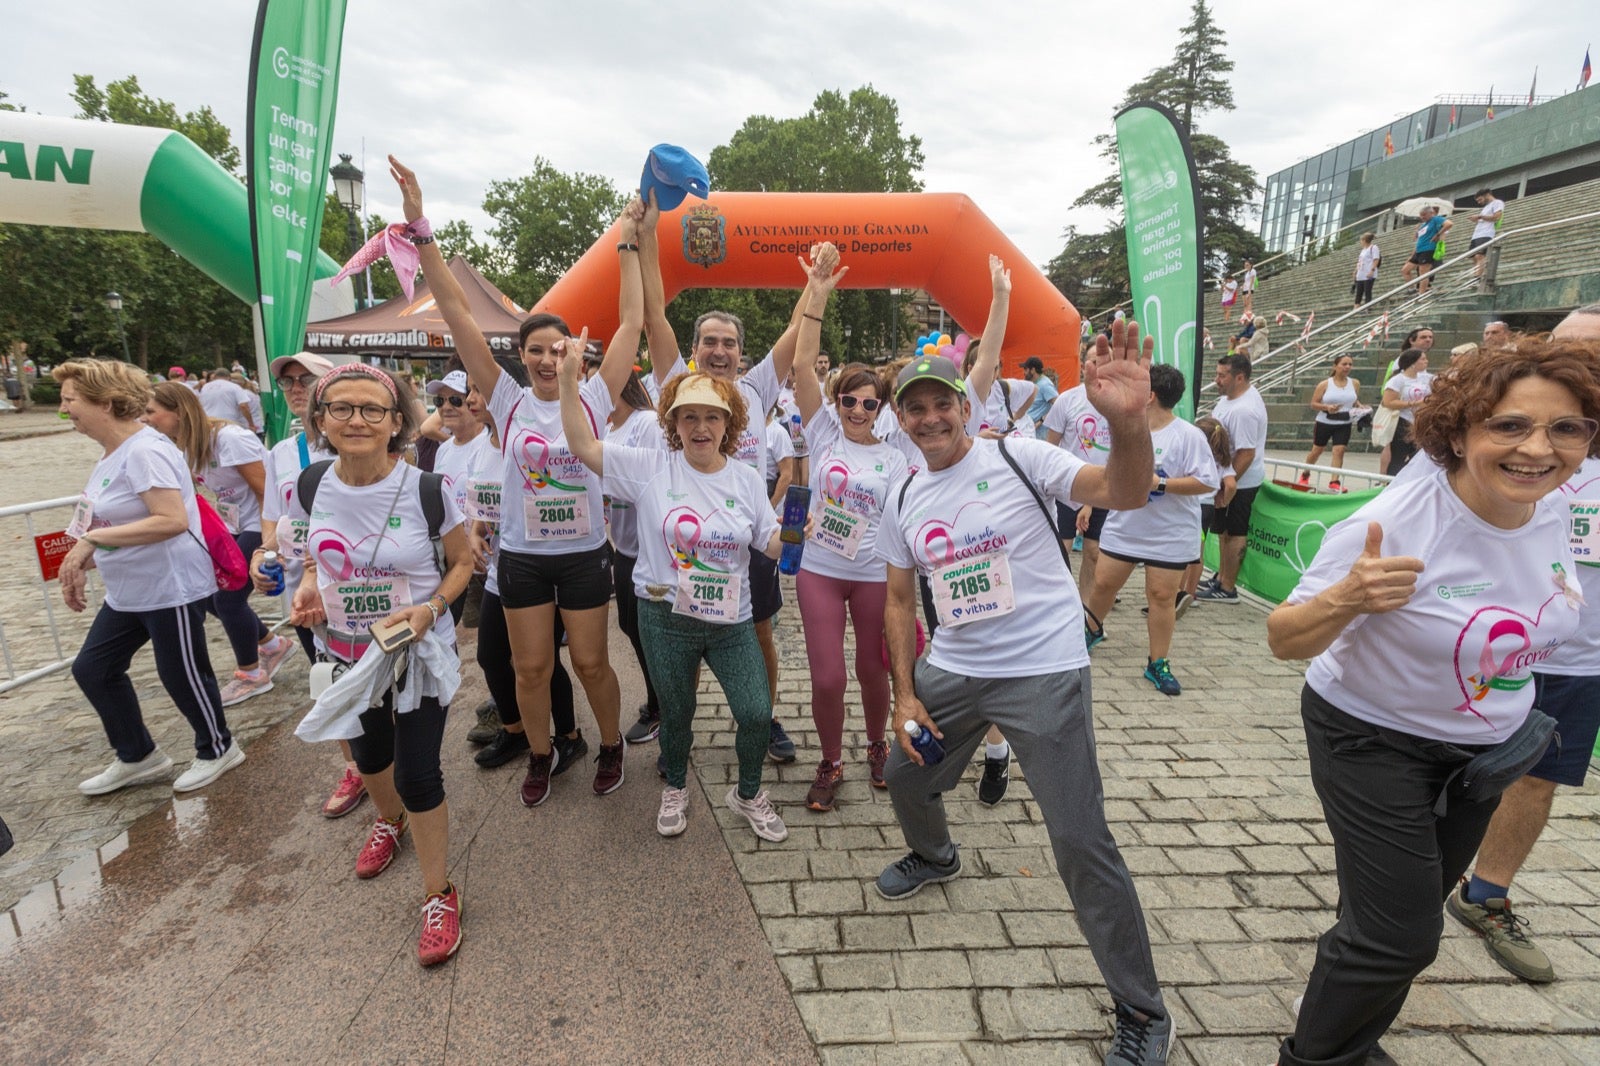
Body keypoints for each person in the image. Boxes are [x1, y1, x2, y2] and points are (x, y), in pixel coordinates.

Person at [1265, 337, 1599, 1066]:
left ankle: (1349, 1032)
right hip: (1372, 736)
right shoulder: (1400, 521)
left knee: (1388, 920)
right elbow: (1284, 638)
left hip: (1484, 753)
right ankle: (1316, 1056)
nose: (1539, 449)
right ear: (1460, 431)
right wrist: (1348, 598)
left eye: (1567, 429)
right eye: (1510, 426)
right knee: (1402, 935)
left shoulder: (1546, 504)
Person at [874, 325, 1173, 1065]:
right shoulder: (904, 493)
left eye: (941, 402)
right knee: (904, 774)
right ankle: (937, 856)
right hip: (958, 670)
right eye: (914, 409)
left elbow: (1126, 492)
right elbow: (898, 601)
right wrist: (903, 694)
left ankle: (1142, 1008)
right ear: (900, 421)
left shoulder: (1019, 454)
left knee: (1079, 840)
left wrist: (1130, 423)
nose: (930, 418)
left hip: (1044, 671)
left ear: (965, 407)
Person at [391, 156, 639, 806]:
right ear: (522, 356)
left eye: (559, 347)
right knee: (530, 668)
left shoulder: (593, 396)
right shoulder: (504, 399)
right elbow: (455, 307)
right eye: (536, 348)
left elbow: (635, 323)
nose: (548, 357)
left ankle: (609, 744)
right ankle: (540, 752)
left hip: (585, 557)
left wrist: (630, 247)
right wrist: (421, 225)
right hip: (525, 560)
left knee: (589, 663)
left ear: (573, 352)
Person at [559, 346, 790, 843]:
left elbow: (768, 542)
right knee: (678, 713)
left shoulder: (747, 479)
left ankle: (747, 793)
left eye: (712, 416)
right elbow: (581, 443)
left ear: (729, 423)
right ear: (674, 422)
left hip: (731, 622)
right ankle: (677, 787)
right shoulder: (649, 467)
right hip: (664, 617)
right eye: (690, 417)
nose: (701, 427)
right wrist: (565, 383)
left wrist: (796, 533)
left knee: (754, 711)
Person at [286, 362, 474, 967]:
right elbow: (313, 553)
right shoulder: (311, 485)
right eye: (342, 408)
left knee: (418, 773)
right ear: (321, 418)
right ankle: (389, 822)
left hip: (416, 656)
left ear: (397, 420)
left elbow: (463, 565)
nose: (357, 420)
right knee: (370, 760)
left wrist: (431, 609)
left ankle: (439, 893)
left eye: (373, 410)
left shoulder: (427, 488)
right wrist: (308, 584)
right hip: (343, 653)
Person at [1447, 304, 1600, 985]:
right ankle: (1399, 894)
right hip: (1479, 644)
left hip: (1579, 657)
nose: (1581, 365)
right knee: (1441, 771)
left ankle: (1487, 894)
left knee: (1537, 781)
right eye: (1570, 349)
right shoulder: (1505, 432)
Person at [639, 190, 811, 764]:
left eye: (729, 343)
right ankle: (679, 731)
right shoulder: (674, 387)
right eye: (709, 341)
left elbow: (794, 332)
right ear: (693, 351)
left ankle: (765, 722)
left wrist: (818, 284)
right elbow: (653, 314)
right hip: (682, 540)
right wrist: (642, 239)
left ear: (742, 354)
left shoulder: (757, 389)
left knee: (761, 635)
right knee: (679, 649)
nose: (719, 350)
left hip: (745, 536)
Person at [54, 359, 244, 796]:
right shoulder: (112, 454)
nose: (65, 411)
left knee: (181, 672)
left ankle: (219, 748)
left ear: (104, 402)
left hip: (170, 586)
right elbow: (106, 518)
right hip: (129, 590)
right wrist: (82, 560)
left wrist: (93, 543)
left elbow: (171, 520)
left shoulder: (146, 451)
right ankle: (138, 755)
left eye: (71, 401)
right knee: (94, 669)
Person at [789, 256, 908, 812]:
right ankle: (831, 758)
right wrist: (817, 295)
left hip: (873, 576)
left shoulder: (895, 454)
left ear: (880, 409)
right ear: (835, 402)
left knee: (872, 668)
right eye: (848, 400)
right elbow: (802, 361)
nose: (857, 410)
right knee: (829, 676)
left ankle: (878, 745)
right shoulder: (823, 434)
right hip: (820, 569)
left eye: (868, 403)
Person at [247, 351, 371, 817]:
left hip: (361, 590)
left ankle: (391, 765)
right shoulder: (281, 453)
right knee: (329, 680)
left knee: (379, 681)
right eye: (288, 382)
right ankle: (356, 769)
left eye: (306, 379)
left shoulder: (357, 442)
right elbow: (273, 520)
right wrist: (262, 556)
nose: (296, 388)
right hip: (304, 596)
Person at [462, 356, 583, 773]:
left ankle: (568, 736)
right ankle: (514, 730)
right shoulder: (480, 445)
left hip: (541, 565)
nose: (470, 399)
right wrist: (477, 530)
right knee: (492, 656)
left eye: (477, 389)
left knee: (540, 662)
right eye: (469, 391)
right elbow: (492, 499)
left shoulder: (526, 437)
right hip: (499, 571)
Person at [146, 382, 295, 706]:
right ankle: (271, 645)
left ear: (178, 412)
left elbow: (265, 492)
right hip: (236, 524)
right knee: (210, 597)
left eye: (151, 411)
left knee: (228, 600)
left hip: (260, 522)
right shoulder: (188, 446)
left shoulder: (230, 440)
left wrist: (268, 545)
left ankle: (252, 674)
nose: (146, 419)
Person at [1084, 363, 1219, 696]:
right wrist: (1090, 502)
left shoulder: (1188, 435)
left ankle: (1157, 663)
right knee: (1103, 583)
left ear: (1151, 395)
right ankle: (1090, 630)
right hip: (1126, 526)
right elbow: (1108, 471)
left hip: (1168, 534)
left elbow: (1206, 482)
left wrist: (1161, 484)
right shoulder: (1127, 429)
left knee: (1161, 597)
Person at [1195, 354, 1267, 604]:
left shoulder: (1245, 410)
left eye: (1222, 375)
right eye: (1217, 374)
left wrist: (1227, 482)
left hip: (1241, 481)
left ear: (1239, 377)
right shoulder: (1229, 400)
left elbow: (1246, 453)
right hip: (1230, 478)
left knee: (1234, 531)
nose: (1217, 380)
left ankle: (1227, 587)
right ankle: (1222, 577)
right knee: (1224, 531)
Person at [1045, 342, 1113, 600]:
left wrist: (1093, 499)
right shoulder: (1067, 400)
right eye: (1092, 361)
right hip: (1067, 488)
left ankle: (1087, 612)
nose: (1097, 367)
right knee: (1061, 550)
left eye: (1102, 361)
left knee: (1094, 552)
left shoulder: (1116, 402)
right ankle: (1060, 607)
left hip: (1103, 488)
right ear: (1084, 365)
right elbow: (1050, 448)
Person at [1298, 355, 1365, 492]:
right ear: (1335, 366)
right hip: (1325, 421)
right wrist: (1327, 407)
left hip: (1345, 421)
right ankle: (1306, 473)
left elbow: (1353, 400)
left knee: (1339, 451)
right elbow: (1314, 403)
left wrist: (1360, 406)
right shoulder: (1325, 384)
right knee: (1317, 450)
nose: (1347, 367)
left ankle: (1334, 481)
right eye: (1344, 364)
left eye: (1350, 364)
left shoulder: (1355, 383)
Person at [1382, 348, 1432, 475]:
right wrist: (1414, 403)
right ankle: (1391, 484)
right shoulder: (1398, 380)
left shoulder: (1426, 378)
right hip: (1403, 421)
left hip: (1421, 422)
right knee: (1398, 457)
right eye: (1423, 359)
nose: (1426, 361)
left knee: (1419, 457)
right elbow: (1388, 402)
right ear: (1413, 362)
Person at [1400, 205, 1451, 295]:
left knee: (1423, 273)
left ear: (1431, 213)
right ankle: (1412, 289)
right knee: (1405, 270)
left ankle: (1421, 294)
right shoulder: (1423, 225)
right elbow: (1417, 239)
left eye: (1424, 215)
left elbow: (1449, 224)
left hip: (1428, 249)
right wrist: (1412, 254)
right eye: (1421, 215)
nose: (1422, 217)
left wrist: (1438, 234)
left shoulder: (1436, 219)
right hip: (1419, 250)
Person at [1469, 186, 1505, 279]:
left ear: (1487, 195)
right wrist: (1477, 219)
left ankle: (1478, 278)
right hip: (1477, 234)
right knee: (1474, 257)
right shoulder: (1486, 207)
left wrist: (1480, 217)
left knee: (1480, 255)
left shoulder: (1497, 203)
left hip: (1486, 233)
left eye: (1480, 199)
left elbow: (1497, 217)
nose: (1479, 202)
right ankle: (1476, 276)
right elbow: (1485, 218)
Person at [1021, 356, 1058, 436]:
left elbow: (1058, 405)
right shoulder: (1034, 383)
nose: (1024, 372)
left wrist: (1040, 421)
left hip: (1041, 434)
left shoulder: (1045, 385)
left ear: (1033, 370)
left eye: (1026, 369)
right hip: (1031, 430)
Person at [1352, 232, 1380, 308]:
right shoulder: (1363, 250)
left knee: (1367, 291)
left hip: (1368, 274)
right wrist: (1355, 271)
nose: (1360, 242)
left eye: (1361, 240)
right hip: (1360, 274)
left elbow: (1376, 259)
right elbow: (1360, 261)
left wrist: (1372, 270)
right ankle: (1356, 309)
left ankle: (1368, 308)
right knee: (1359, 293)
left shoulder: (1373, 247)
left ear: (1364, 240)